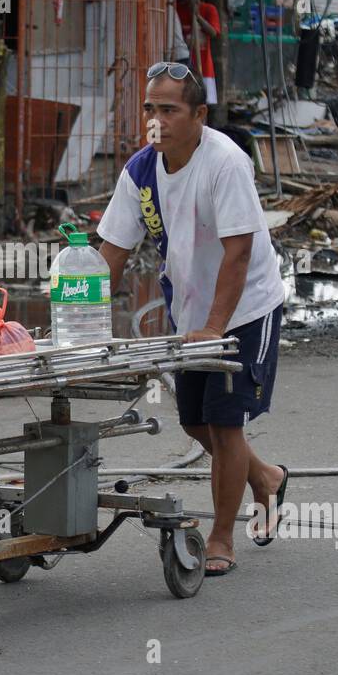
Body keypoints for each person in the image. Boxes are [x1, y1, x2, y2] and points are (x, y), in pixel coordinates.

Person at [96, 63, 287, 576]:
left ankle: (222, 536)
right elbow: (112, 250)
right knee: (194, 422)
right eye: (149, 109)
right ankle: (265, 477)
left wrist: (216, 326)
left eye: (169, 110)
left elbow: (240, 252)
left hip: (245, 309)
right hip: (191, 313)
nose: (156, 121)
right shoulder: (140, 171)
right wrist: (83, 323)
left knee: (226, 426)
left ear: (199, 114)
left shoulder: (224, 162)